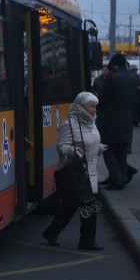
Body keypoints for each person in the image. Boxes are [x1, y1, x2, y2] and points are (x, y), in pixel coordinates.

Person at [41, 92, 107, 251]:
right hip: (75, 172)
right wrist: (73, 151)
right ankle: (84, 240)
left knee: (79, 206)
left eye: (95, 106)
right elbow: (61, 147)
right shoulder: (69, 124)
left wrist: (99, 148)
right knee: (82, 206)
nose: (94, 110)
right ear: (81, 107)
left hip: (89, 171)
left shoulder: (91, 122)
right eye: (91, 106)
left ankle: (78, 238)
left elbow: (89, 145)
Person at [98, 53, 140, 189]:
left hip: (112, 120)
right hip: (128, 119)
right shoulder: (135, 77)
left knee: (108, 149)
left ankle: (116, 179)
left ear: (113, 64)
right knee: (122, 151)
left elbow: (103, 99)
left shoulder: (112, 78)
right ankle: (121, 177)